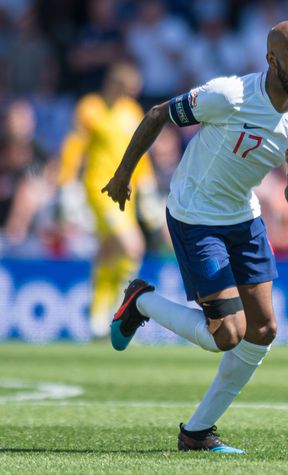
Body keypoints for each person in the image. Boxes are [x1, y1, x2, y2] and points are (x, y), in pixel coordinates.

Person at [101, 21, 288, 454]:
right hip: (195, 214)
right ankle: (140, 300)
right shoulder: (230, 95)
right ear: (271, 59)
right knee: (227, 335)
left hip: (244, 216)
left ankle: (197, 432)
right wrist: (124, 173)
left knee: (263, 329)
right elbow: (159, 113)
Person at [58, 62, 160, 338]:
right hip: (99, 189)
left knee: (108, 251)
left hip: (126, 194)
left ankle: (96, 315)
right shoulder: (90, 108)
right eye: (126, 90)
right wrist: (67, 184)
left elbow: (141, 153)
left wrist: (148, 188)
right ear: (114, 84)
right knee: (133, 246)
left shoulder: (131, 111)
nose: (128, 96)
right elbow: (74, 147)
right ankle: (120, 309)